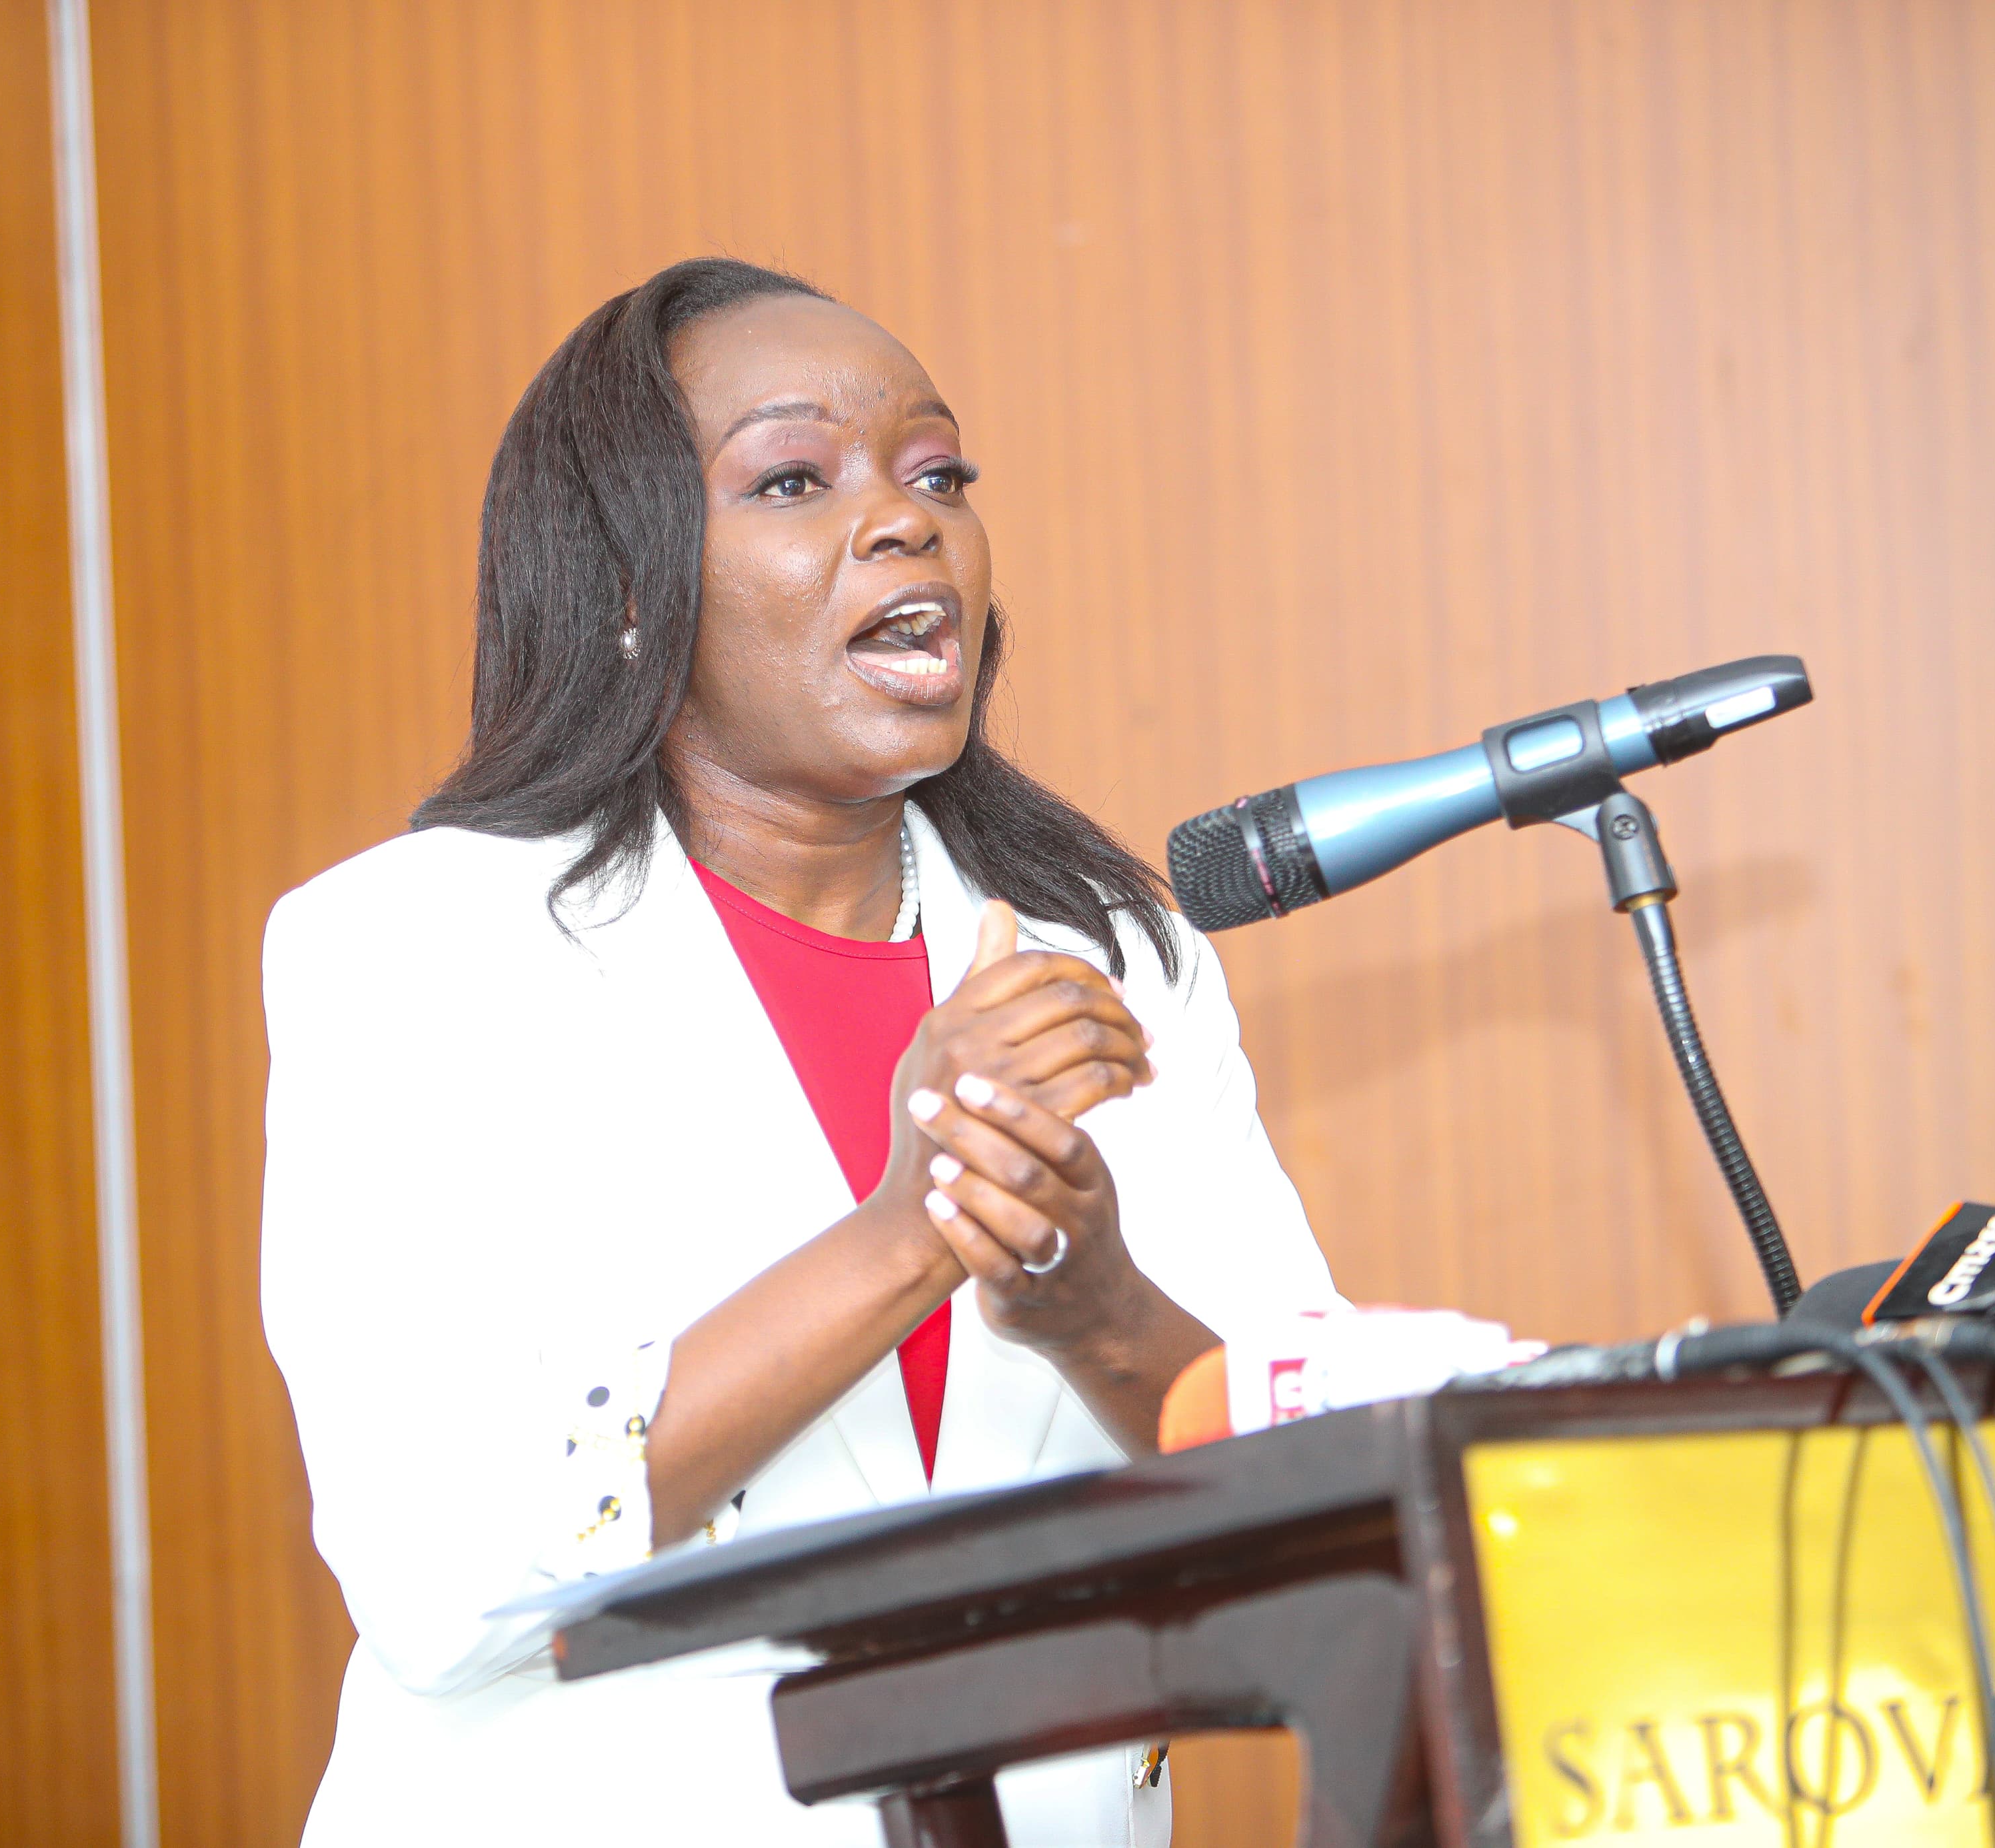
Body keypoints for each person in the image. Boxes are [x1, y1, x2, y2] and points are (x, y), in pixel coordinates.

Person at [261, 257, 1338, 1846]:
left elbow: (1314, 1509)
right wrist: (910, 1234)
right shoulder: (418, 946)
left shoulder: (1113, 953)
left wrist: (1096, 1308)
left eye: (937, 474)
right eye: (790, 478)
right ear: (630, 581)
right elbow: (444, 1576)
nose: (909, 522)